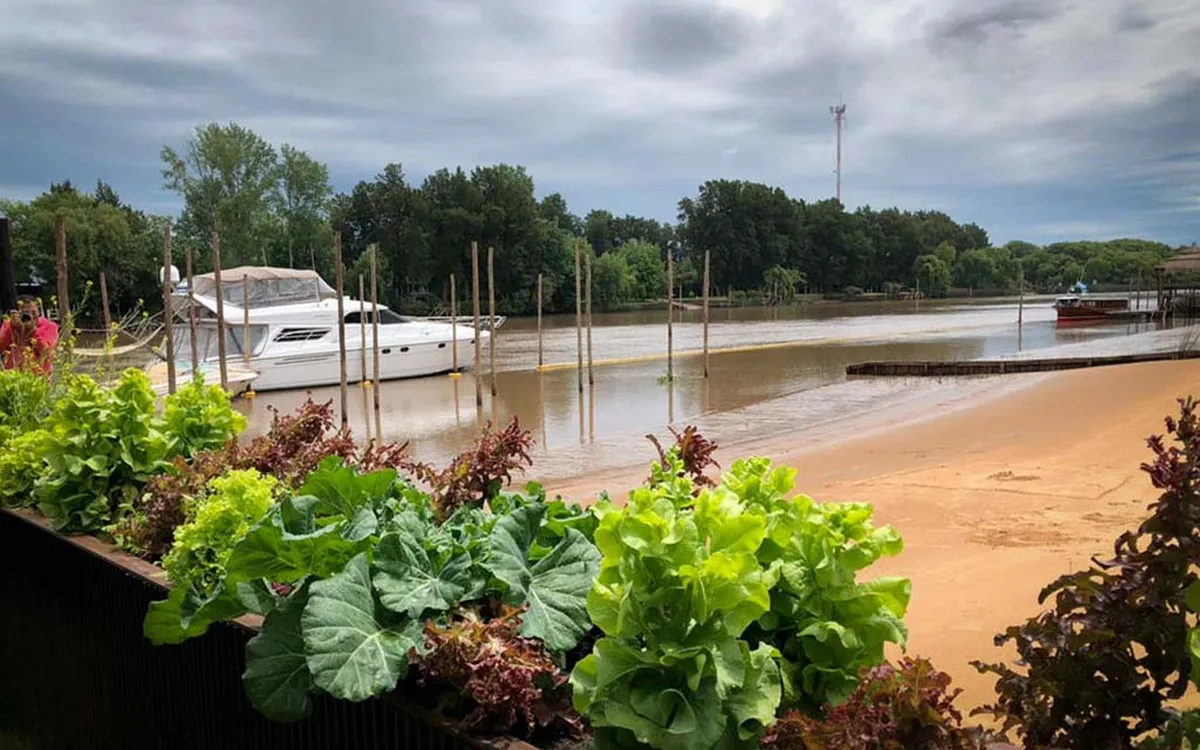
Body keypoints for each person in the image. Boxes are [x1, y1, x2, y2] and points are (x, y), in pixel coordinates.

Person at [0, 295, 60, 376]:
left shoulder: (49, 326)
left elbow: (46, 353)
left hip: (38, 377)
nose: (30, 316)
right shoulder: (10, 325)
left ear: (38, 311)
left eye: (33, 312)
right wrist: (12, 326)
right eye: (25, 313)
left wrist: (33, 331)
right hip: (12, 375)